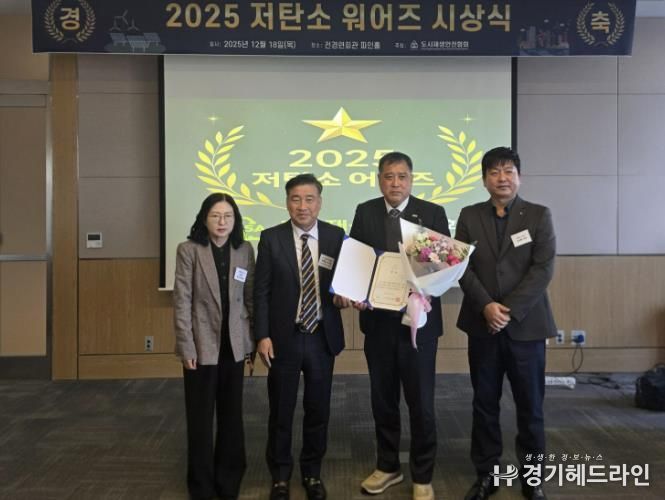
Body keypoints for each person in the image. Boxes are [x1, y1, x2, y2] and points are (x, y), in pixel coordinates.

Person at [455, 147, 556, 500]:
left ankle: (533, 478)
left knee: (530, 406)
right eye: (495, 172)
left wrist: (507, 310)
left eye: (509, 171)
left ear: (519, 176)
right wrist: (486, 306)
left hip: (526, 328)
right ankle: (487, 475)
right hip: (482, 325)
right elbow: (461, 266)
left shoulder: (539, 215)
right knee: (484, 404)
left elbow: (543, 269)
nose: (502, 178)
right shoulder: (469, 215)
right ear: (484, 179)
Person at [348, 151, 449, 500]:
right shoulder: (365, 212)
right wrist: (357, 291)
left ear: (411, 179)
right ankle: (388, 466)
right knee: (383, 400)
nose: (395, 183)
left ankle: (422, 475)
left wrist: (424, 287)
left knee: (421, 404)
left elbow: (442, 266)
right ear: (379, 180)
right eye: (388, 176)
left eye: (401, 176)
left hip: (417, 325)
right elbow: (357, 261)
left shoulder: (432, 213)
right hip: (378, 323)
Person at [254, 173, 346, 500]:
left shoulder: (336, 236)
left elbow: (343, 284)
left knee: (318, 409)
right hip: (284, 338)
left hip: (322, 336)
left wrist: (344, 297)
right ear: (287, 202)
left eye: (309, 199)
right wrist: (262, 335)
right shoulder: (271, 238)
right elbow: (261, 292)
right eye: (296, 199)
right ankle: (280, 475)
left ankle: (312, 473)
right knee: (281, 409)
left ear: (320, 202)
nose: (302, 206)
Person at [173, 193, 255, 500]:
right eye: (215, 216)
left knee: (232, 416)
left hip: (234, 344)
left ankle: (229, 479)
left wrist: (250, 342)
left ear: (236, 220)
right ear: (204, 219)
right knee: (200, 418)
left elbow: (249, 298)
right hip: (201, 346)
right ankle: (201, 485)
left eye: (228, 216)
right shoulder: (189, 250)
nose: (222, 222)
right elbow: (182, 301)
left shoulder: (245, 250)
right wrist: (186, 347)